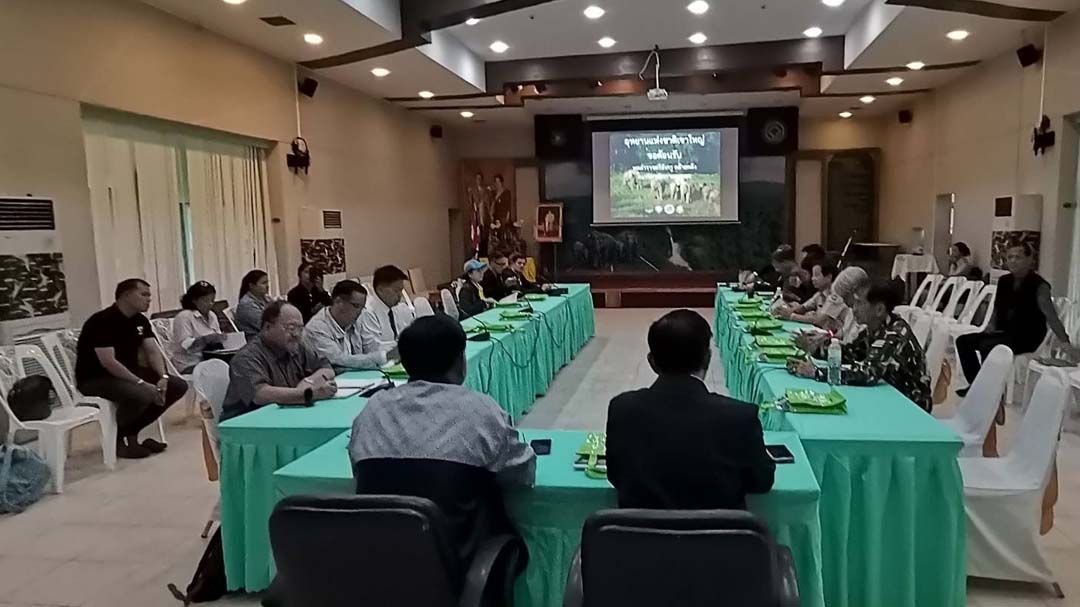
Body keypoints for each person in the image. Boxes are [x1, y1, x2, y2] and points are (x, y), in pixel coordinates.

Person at [348, 314, 536, 563]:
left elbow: (358, 468)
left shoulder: (373, 409)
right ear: (460, 362)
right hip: (458, 566)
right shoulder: (480, 410)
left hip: (377, 564)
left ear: (404, 363)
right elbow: (523, 474)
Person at [606, 310, 775, 510]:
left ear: (651, 362)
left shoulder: (622, 409)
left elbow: (616, 475)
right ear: (708, 358)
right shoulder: (740, 417)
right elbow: (762, 482)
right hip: (720, 539)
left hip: (637, 540)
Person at [76, 279, 189, 458]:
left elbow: (152, 351)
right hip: (97, 378)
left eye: (149, 295)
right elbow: (109, 362)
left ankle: (129, 433)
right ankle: (121, 441)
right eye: (144, 294)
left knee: (177, 386)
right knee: (142, 394)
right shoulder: (102, 321)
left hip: (127, 373)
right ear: (126, 295)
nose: (148, 299)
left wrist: (163, 377)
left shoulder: (140, 320)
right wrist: (142, 383)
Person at [793, 282, 933, 411]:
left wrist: (816, 372)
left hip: (909, 407)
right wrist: (815, 348)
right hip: (885, 397)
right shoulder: (875, 328)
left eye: (859, 303)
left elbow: (866, 373)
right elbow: (852, 353)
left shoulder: (893, 335)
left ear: (879, 309)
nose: (854, 309)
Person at [956, 242, 1073, 392]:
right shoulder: (1004, 281)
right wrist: (989, 328)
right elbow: (997, 309)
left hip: (1027, 336)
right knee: (963, 341)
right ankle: (978, 386)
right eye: (1010, 257)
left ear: (1029, 260)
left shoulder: (1039, 285)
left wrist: (1065, 341)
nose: (1012, 261)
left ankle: (988, 390)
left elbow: (1051, 315)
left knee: (988, 346)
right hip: (1003, 332)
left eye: (1018, 257)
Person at [221, 301, 336, 420]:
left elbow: (326, 368)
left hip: (285, 416)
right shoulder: (246, 358)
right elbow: (260, 394)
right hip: (247, 424)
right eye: (291, 328)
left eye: (300, 329)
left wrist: (308, 381)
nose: (296, 334)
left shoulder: (297, 346)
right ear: (267, 327)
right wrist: (310, 394)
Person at [303, 280, 398, 371]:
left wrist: (400, 347)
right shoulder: (317, 328)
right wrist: (386, 356)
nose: (360, 312)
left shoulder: (357, 320)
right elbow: (339, 361)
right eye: (356, 306)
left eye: (362, 307)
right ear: (338, 301)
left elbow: (371, 348)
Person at [359, 265, 416, 354]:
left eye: (401, 291)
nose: (400, 295)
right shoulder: (368, 312)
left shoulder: (397, 308)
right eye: (396, 290)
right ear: (380, 289)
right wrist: (404, 345)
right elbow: (372, 348)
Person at [170, 281, 225, 373]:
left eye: (212, 300)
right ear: (194, 300)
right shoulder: (184, 317)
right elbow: (186, 345)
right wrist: (205, 339)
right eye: (205, 300)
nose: (210, 304)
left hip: (210, 359)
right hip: (189, 363)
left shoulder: (212, 315)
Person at [235, 269, 272, 340]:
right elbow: (265, 325)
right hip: (256, 341)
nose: (267, 285)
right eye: (264, 283)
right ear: (252, 286)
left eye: (267, 282)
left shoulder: (266, 298)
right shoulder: (246, 305)